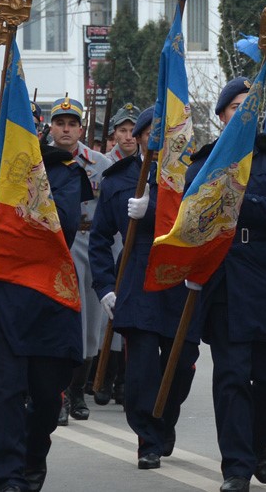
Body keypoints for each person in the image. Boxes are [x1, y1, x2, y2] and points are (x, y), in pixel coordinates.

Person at [170, 77, 266, 492]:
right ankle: (236, 468)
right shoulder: (205, 162)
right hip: (227, 277)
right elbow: (193, 214)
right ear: (223, 116)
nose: (244, 114)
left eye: (250, 107)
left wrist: (237, 204)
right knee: (231, 376)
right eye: (235, 108)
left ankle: (257, 440)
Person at [0, 142, 86, 492]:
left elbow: (65, 227)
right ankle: (9, 476)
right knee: (3, 395)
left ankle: (33, 454)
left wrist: (7, 218)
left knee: (46, 397)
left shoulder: (63, 173)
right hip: (1, 303)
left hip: (49, 301)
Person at [89, 107, 204, 471]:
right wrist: (106, 287)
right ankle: (147, 440)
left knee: (182, 362)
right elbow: (100, 239)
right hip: (137, 273)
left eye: (165, 131)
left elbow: (204, 220)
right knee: (141, 368)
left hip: (179, 275)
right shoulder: (119, 178)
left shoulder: (193, 173)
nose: (159, 138)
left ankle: (163, 420)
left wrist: (153, 208)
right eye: (151, 132)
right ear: (137, 138)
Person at [46, 97, 112, 424]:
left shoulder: (99, 163)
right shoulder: (37, 160)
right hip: (52, 246)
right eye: (60, 124)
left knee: (89, 325)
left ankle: (76, 391)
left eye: (72, 124)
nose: (66, 129)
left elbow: (112, 205)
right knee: (57, 322)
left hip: (88, 243)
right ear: (51, 127)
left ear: (81, 128)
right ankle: (55, 394)